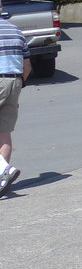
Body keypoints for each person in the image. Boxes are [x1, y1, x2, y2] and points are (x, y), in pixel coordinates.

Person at [0, 11, 31, 198]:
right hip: (15, 82)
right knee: (4, 133)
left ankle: (4, 169)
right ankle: (2, 179)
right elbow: (26, 67)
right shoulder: (15, 30)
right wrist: (19, 84)